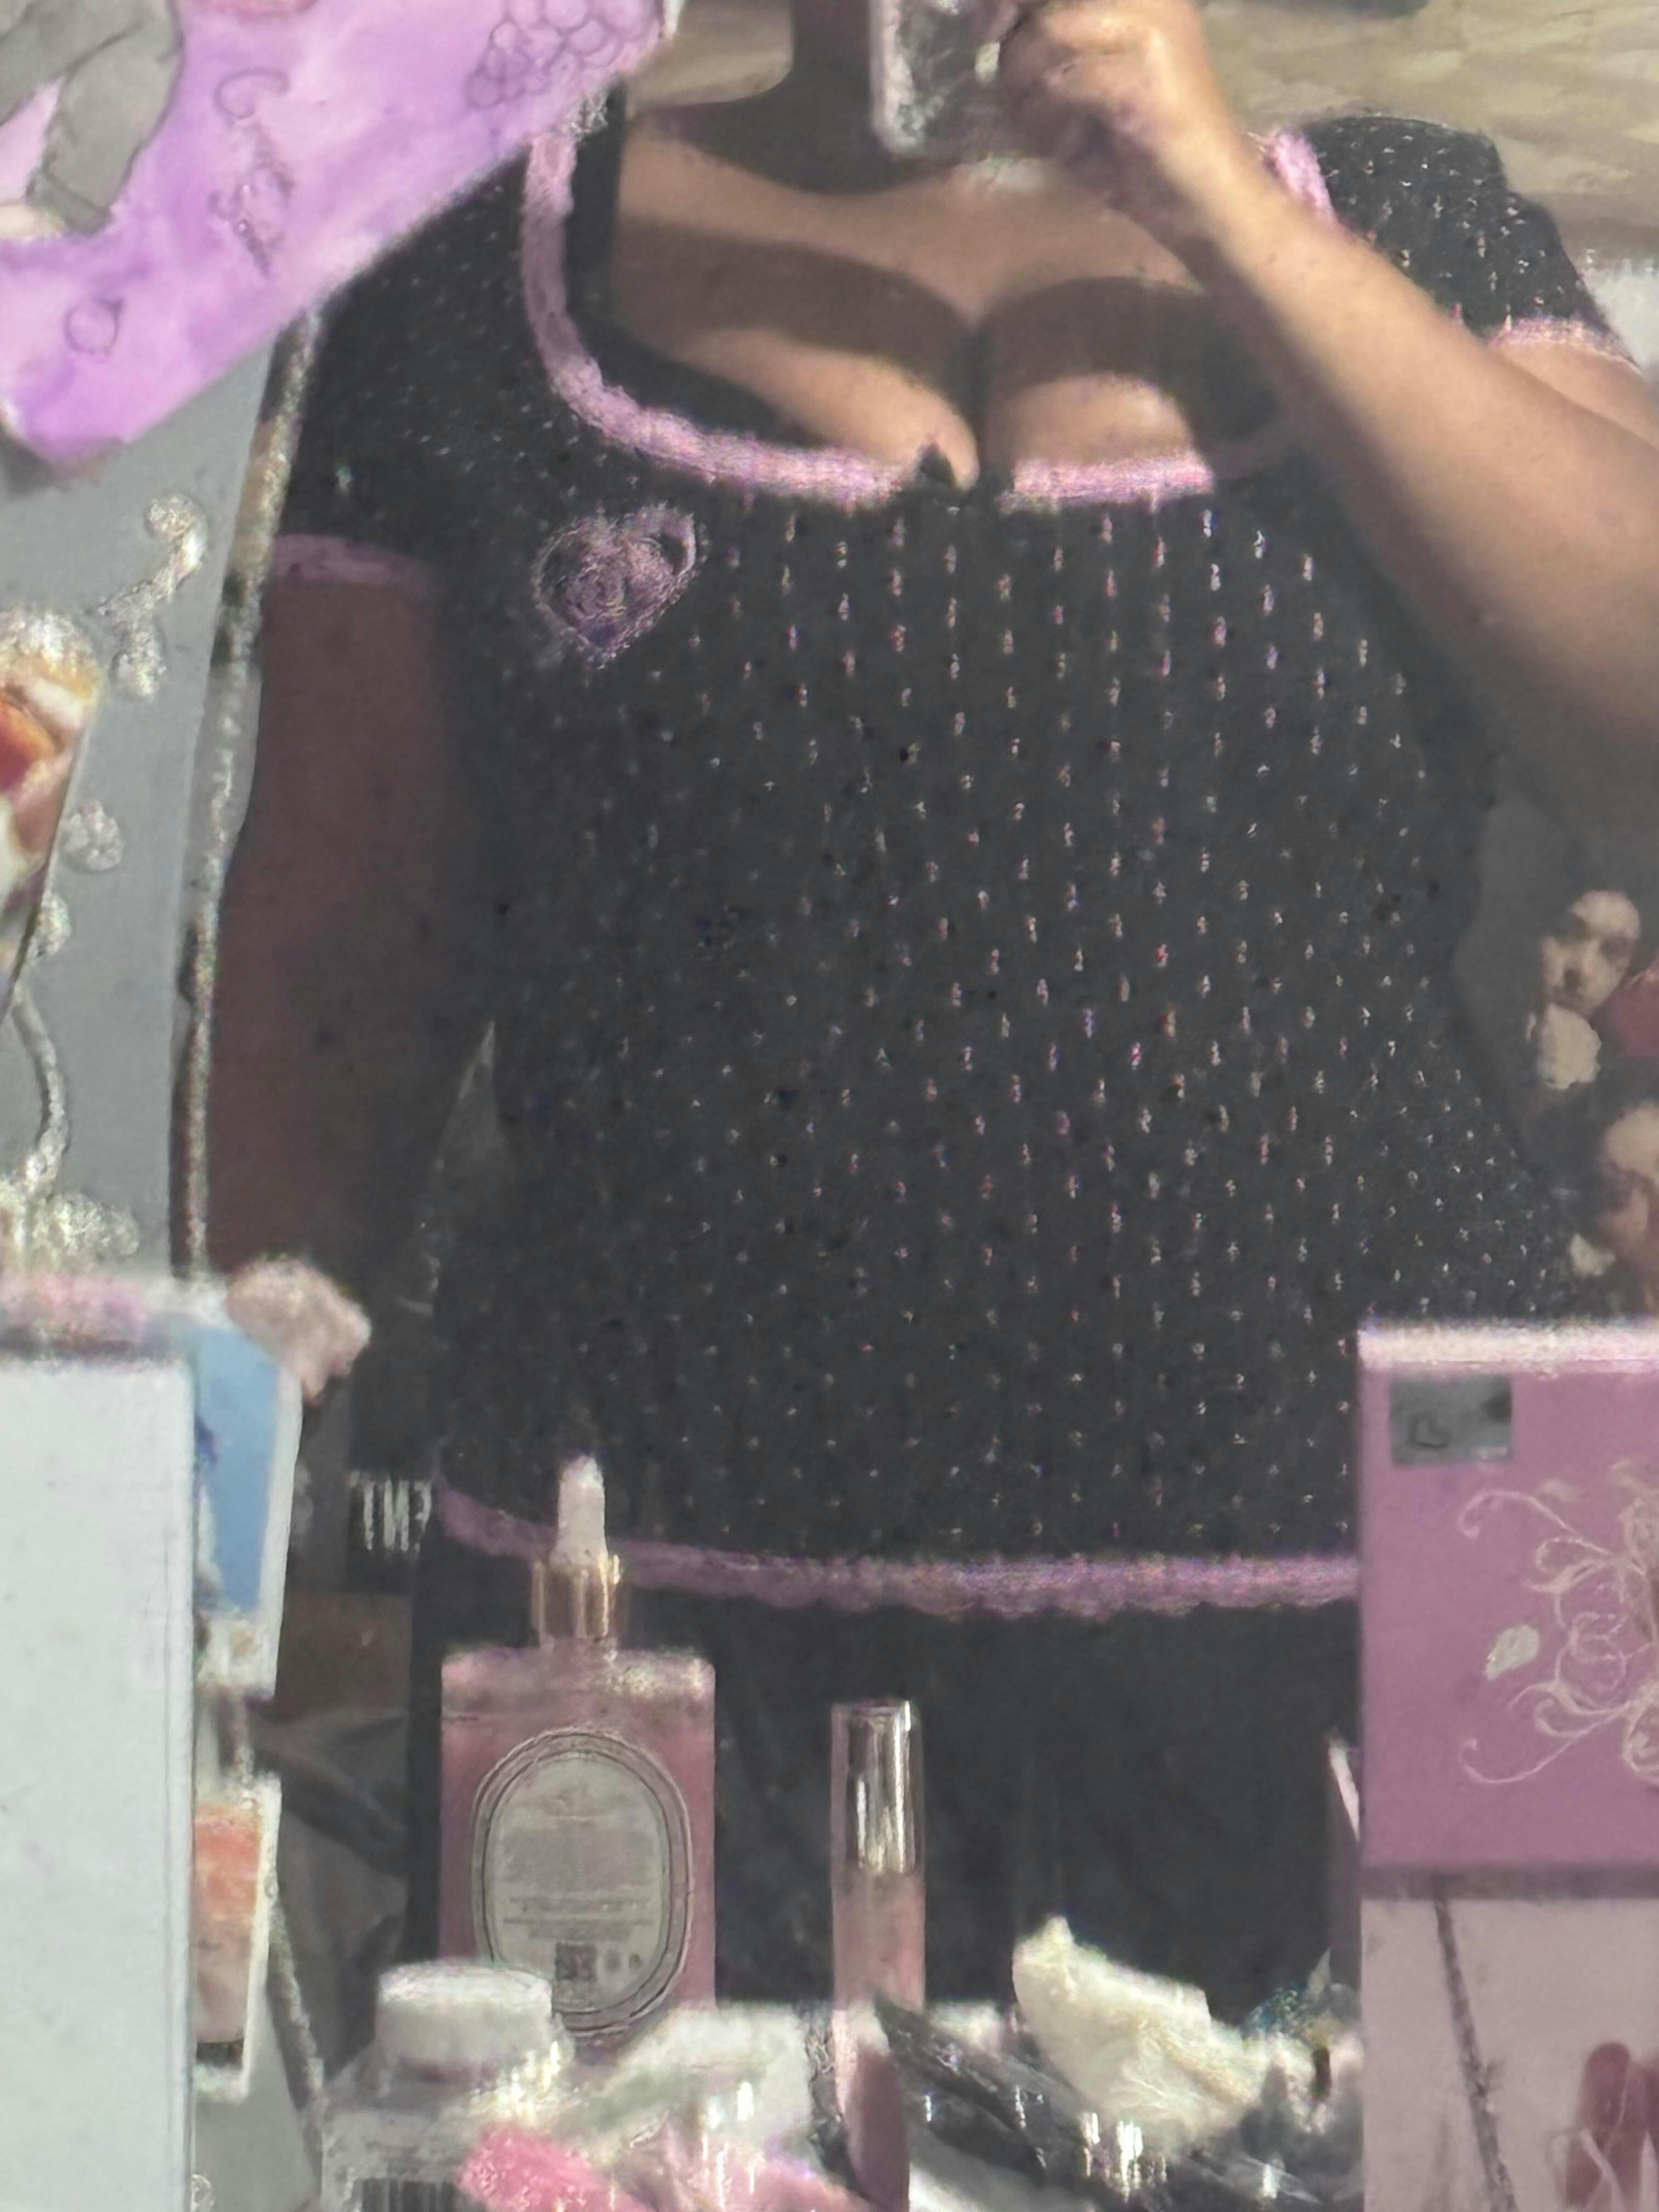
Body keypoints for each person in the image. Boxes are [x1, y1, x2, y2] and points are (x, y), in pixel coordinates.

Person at [208, 0, 1659, 2011]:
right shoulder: (477, 271)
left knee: (1467, 2138)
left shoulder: (1407, 220)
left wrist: (1218, 203)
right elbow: (324, 1003)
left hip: (1424, 1636)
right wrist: (156, 1573)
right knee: (624, 2150)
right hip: (654, 1675)